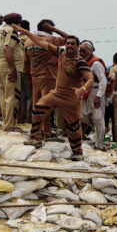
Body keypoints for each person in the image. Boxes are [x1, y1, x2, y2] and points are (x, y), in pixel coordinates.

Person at [14, 26, 94, 160]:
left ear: (77, 46)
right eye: (67, 43)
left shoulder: (80, 62)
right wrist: (26, 32)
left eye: (72, 44)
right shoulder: (61, 53)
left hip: (71, 97)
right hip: (57, 93)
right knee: (38, 109)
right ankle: (36, 138)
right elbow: (41, 42)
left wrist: (82, 89)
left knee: (73, 126)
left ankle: (77, 152)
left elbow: (90, 79)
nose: (69, 46)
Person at [24, 19, 67, 139]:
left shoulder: (28, 41)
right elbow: (70, 38)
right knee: (47, 105)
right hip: (49, 76)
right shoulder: (51, 40)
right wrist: (53, 29)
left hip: (34, 77)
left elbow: (26, 61)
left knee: (37, 105)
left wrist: (28, 78)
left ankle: (42, 130)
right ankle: (43, 132)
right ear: (48, 28)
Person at [0, 13, 24, 132]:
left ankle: (6, 123)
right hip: (10, 67)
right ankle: (10, 125)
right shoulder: (12, 31)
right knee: (12, 97)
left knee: (3, 96)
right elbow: (7, 49)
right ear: (17, 23)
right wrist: (13, 68)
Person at [78, 40, 107, 150]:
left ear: (90, 51)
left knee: (98, 118)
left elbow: (103, 81)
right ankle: (102, 129)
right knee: (82, 115)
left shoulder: (96, 63)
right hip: (85, 92)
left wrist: (99, 96)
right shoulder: (81, 62)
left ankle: (99, 145)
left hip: (95, 92)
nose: (81, 53)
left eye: (84, 51)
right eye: (80, 51)